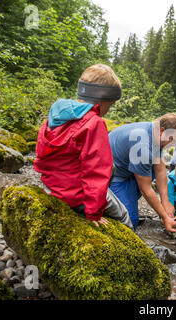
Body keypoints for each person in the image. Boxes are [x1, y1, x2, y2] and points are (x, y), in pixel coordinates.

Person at [34, 64, 133, 229]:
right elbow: (96, 171)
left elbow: (41, 154)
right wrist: (94, 211)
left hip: (51, 187)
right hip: (73, 195)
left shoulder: (56, 114)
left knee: (113, 168)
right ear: (102, 101)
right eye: (110, 104)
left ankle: (97, 197)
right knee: (124, 216)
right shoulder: (94, 123)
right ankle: (132, 250)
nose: (108, 109)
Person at [109, 113, 176, 233]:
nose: (173, 144)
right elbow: (145, 189)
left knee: (154, 166)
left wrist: (165, 201)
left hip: (126, 169)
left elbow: (160, 169)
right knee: (130, 222)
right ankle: (115, 201)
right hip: (111, 177)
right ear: (162, 130)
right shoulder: (143, 147)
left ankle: (126, 199)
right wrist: (165, 217)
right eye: (172, 139)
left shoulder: (153, 131)